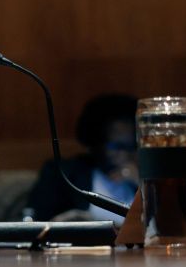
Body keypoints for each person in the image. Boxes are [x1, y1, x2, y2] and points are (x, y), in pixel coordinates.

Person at [24, 94, 138, 226]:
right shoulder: (63, 174)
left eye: (133, 146)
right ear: (96, 143)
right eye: (117, 146)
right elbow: (35, 221)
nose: (126, 154)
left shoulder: (145, 180)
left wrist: (140, 182)